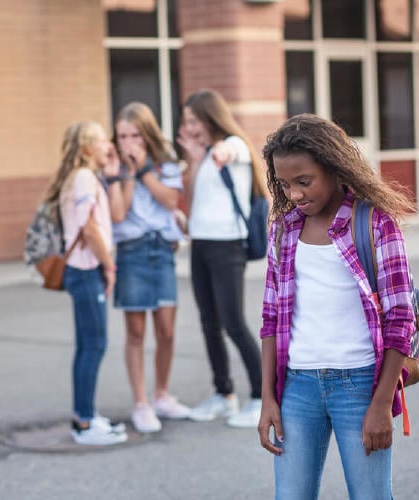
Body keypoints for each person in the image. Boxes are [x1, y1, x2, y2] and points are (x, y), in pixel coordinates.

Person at [256, 113, 416, 499]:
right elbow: (271, 319)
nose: (293, 194)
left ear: (332, 167)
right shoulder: (284, 229)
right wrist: (267, 399)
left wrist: (381, 404)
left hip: (359, 386)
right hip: (297, 387)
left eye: (304, 182)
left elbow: (400, 318)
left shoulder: (375, 224)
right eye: (285, 184)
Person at [176, 89, 268, 427]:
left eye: (193, 121)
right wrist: (196, 160)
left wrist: (218, 152)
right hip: (200, 244)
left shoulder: (235, 145)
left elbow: (230, 152)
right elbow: (190, 199)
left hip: (228, 245)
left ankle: (261, 398)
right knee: (208, 323)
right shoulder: (200, 156)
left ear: (209, 117)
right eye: (185, 122)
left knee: (233, 322)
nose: (189, 128)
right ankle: (223, 394)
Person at [105, 102, 191, 433]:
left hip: (161, 248)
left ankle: (161, 395)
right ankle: (140, 402)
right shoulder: (115, 166)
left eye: (134, 135)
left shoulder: (164, 162)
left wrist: (143, 170)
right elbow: (120, 212)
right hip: (132, 250)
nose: (128, 142)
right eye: (122, 135)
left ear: (147, 134)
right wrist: (125, 174)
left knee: (167, 330)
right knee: (137, 331)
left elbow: (170, 200)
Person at [42, 120, 128, 446]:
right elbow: (90, 229)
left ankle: (85, 415)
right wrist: (109, 266)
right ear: (86, 147)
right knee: (94, 345)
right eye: (102, 139)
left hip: (83, 270)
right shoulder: (82, 178)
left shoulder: (86, 177)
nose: (109, 144)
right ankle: (85, 423)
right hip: (86, 269)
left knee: (87, 346)